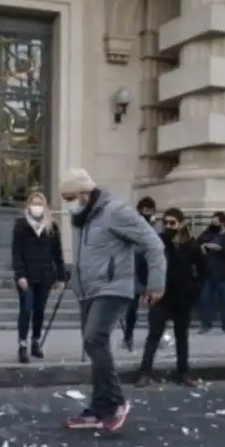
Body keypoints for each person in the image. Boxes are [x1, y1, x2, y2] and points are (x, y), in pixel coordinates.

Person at [57, 169, 165, 433]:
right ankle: (99, 408)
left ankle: (115, 401)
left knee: (93, 340)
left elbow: (153, 243)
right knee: (96, 346)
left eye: (70, 198)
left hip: (113, 287)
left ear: (84, 193)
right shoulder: (82, 218)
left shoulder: (116, 211)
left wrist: (156, 283)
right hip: (87, 290)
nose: (69, 204)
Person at [136, 208, 205, 387]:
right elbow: (143, 264)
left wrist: (194, 290)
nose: (168, 226)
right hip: (160, 297)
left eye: (172, 223)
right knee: (154, 336)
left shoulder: (191, 245)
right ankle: (145, 372)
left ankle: (183, 372)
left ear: (181, 224)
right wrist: (146, 288)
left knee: (181, 337)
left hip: (182, 297)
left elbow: (203, 270)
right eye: (165, 222)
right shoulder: (158, 243)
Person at [10, 191, 66, 363]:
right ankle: (22, 345)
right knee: (26, 309)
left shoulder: (51, 226)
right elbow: (16, 252)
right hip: (26, 276)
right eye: (34, 203)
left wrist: (61, 277)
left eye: (40, 204)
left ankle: (35, 341)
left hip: (45, 275)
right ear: (28, 206)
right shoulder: (21, 225)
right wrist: (20, 274)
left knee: (39, 310)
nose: (37, 207)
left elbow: (57, 253)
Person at [122, 196, 161, 351]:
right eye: (145, 210)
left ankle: (155, 336)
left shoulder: (156, 227)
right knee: (132, 308)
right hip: (135, 271)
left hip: (150, 272)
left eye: (150, 211)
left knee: (156, 309)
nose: (148, 213)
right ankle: (128, 336)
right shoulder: (133, 225)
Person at [196, 211, 225, 335]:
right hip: (208, 273)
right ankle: (205, 324)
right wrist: (202, 246)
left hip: (224, 275)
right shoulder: (208, 233)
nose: (214, 224)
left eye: (216, 222)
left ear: (223, 223)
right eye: (212, 222)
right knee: (205, 299)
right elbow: (197, 244)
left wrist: (221, 249)